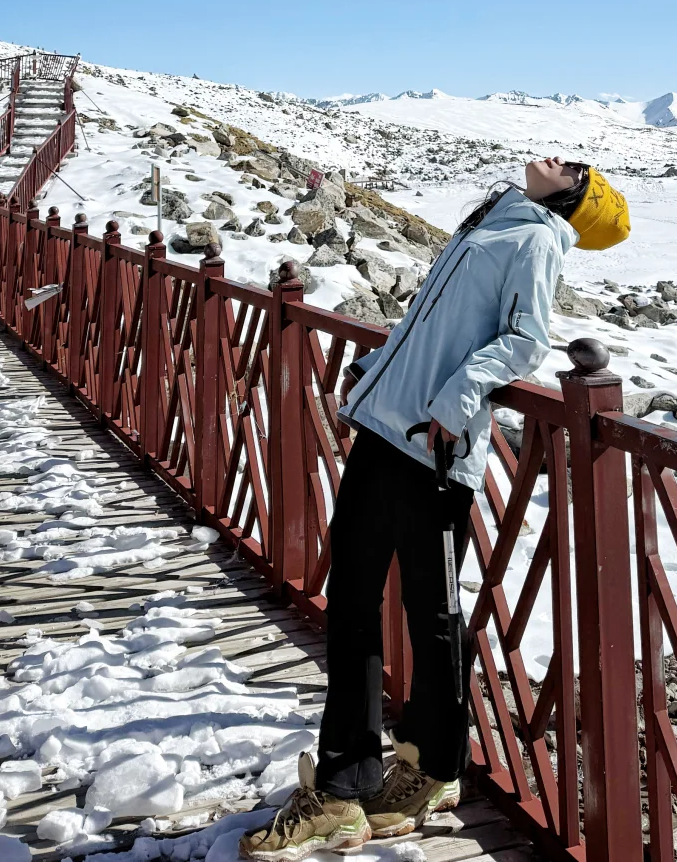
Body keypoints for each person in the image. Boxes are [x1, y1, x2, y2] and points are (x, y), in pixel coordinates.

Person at [241, 156, 630, 859]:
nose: (558, 157)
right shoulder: (490, 221)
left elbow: (524, 340)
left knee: (433, 613)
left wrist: (454, 398)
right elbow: (429, 324)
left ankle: (432, 765)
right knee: (353, 601)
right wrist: (373, 368)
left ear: (576, 198)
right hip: (388, 428)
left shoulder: (537, 239)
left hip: (432, 448)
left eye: (575, 168)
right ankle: (345, 785)